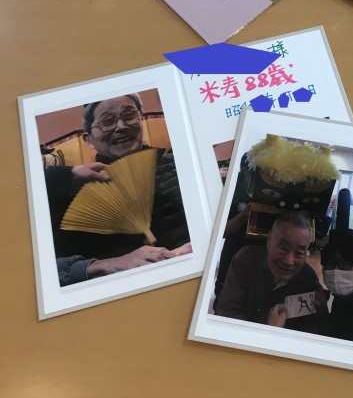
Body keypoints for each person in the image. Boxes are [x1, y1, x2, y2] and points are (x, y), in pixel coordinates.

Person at [46, 94, 191, 286]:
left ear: (141, 120)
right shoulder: (69, 191)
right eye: (107, 121)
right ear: (88, 139)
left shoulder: (180, 165)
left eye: (129, 115)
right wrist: (111, 264)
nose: (121, 126)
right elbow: (47, 272)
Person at [215, 211, 328, 334]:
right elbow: (227, 311)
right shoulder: (246, 260)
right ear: (269, 240)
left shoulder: (308, 278)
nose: (289, 261)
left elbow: (309, 328)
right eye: (283, 248)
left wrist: (322, 312)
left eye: (299, 253)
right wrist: (268, 333)